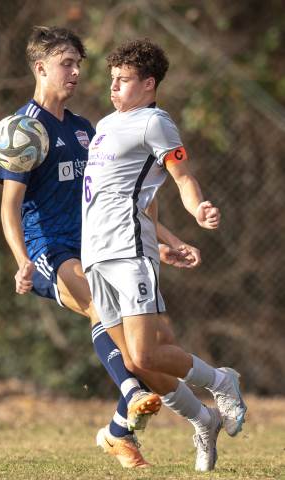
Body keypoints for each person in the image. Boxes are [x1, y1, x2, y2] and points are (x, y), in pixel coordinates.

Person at [0, 26, 204, 470]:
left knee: (147, 347)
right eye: (66, 64)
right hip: (52, 250)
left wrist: (167, 241)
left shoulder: (87, 129)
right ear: (40, 68)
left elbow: (118, 198)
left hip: (99, 245)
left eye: (77, 64)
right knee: (98, 306)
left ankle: (119, 432)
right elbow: (9, 207)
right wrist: (22, 261)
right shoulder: (23, 131)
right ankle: (131, 395)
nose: (75, 73)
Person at [81, 38, 247, 472]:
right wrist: (170, 241)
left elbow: (180, 176)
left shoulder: (155, 122)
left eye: (124, 80)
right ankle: (203, 419)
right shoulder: (103, 125)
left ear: (149, 83)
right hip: (95, 254)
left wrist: (198, 208)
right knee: (136, 364)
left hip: (127, 249)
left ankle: (222, 381)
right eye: (112, 79)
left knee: (148, 354)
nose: (114, 87)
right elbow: (136, 193)